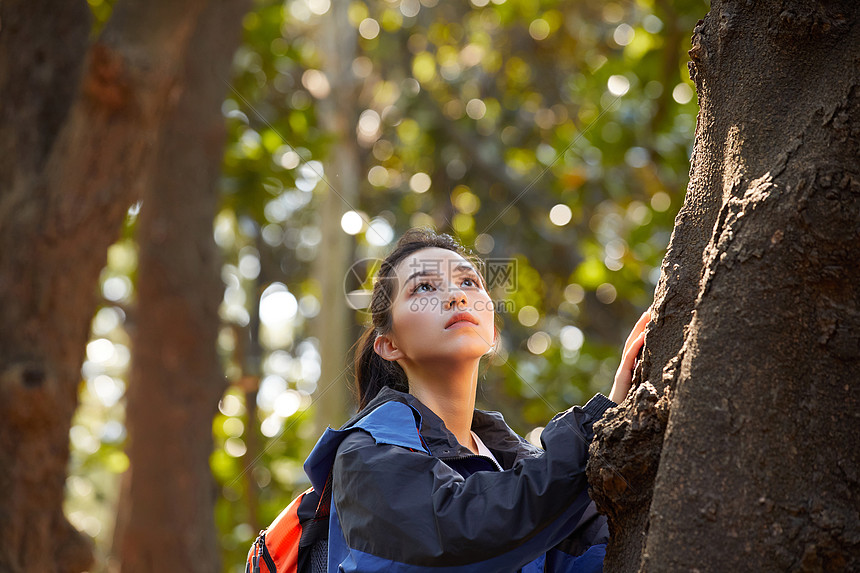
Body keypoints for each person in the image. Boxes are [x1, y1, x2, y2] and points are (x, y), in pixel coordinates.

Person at [302, 228, 649, 572]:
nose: (457, 297)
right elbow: (458, 536)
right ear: (390, 345)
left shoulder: (515, 464)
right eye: (423, 288)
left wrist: (617, 426)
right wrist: (593, 428)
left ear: (493, 331)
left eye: (469, 283)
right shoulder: (365, 453)